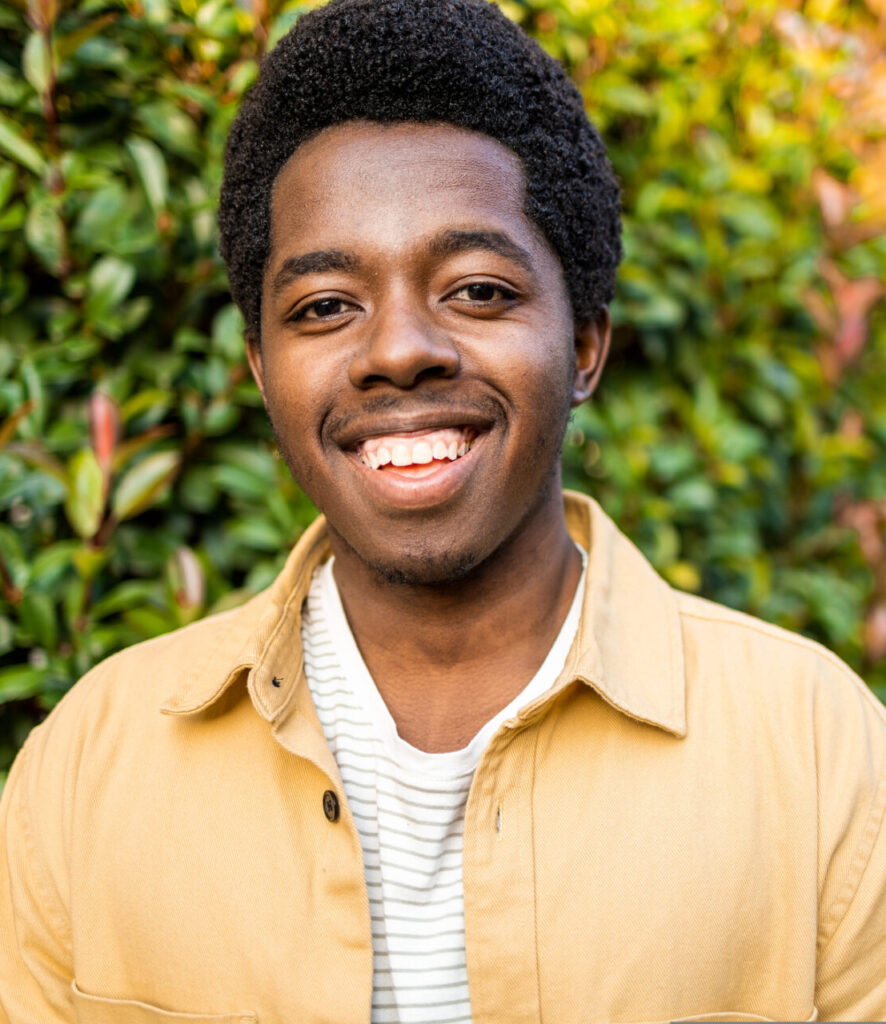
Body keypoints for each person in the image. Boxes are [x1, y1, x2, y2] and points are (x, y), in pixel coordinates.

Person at [2, 0, 885, 1020]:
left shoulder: (824, 762)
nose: (397, 349)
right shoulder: (87, 769)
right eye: (325, 306)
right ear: (260, 369)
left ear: (585, 343)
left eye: (475, 289)